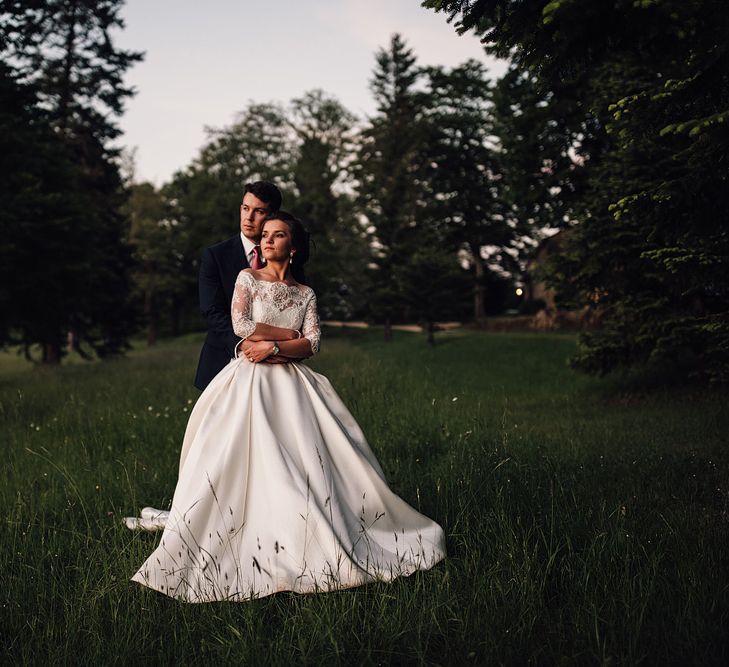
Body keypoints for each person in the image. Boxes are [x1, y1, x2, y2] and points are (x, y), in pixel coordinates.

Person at [128, 212, 446, 602]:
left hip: (293, 385)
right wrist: (286, 335)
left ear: (292, 248)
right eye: (264, 235)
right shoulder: (247, 279)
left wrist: (277, 347)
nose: (266, 241)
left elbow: (312, 343)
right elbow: (242, 325)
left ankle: (313, 526)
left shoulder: (306, 293)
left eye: (277, 236)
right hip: (248, 380)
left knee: (309, 458)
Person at [194, 180, 283, 391]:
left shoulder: (286, 257)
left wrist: (273, 348)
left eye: (259, 211)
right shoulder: (215, 256)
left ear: (272, 215)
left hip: (275, 366)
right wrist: (246, 346)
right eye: (245, 208)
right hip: (223, 361)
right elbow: (212, 311)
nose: (249, 217)